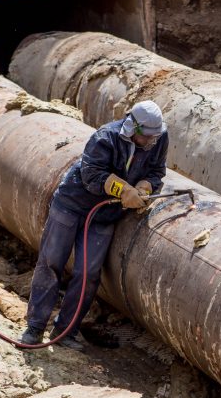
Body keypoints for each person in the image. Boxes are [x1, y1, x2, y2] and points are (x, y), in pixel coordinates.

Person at [18, 100, 168, 349]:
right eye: (148, 137)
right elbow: (91, 175)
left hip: (105, 215)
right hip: (72, 204)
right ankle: (34, 327)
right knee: (51, 262)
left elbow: (156, 171)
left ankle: (66, 331)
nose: (152, 142)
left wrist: (144, 186)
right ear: (134, 128)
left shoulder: (159, 138)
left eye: (156, 136)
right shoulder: (106, 138)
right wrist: (122, 189)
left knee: (88, 273)